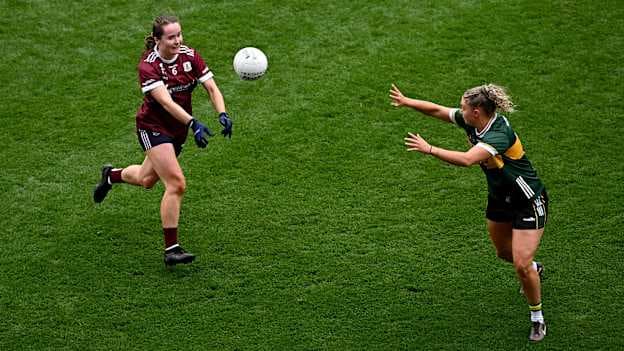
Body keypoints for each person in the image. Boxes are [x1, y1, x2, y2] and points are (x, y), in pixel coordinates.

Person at [390, 83, 548, 342]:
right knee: (503, 253)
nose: (459, 111)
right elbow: (439, 111)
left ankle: (537, 318)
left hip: (528, 201)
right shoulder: (474, 122)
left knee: (520, 264)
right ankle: (533, 269)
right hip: (500, 199)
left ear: (477, 111)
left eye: (463, 107)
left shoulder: (499, 134)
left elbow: (466, 160)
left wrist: (430, 149)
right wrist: (408, 101)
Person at [93, 15, 233, 267]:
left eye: (179, 34)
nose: (178, 40)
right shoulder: (149, 66)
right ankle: (172, 249)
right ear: (157, 39)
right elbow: (166, 102)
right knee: (176, 184)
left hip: (177, 130)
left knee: (146, 180)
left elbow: (212, 88)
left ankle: (110, 175)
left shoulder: (190, 56)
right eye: (171, 37)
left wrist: (222, 113)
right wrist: (193, 123)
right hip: (153, 127)